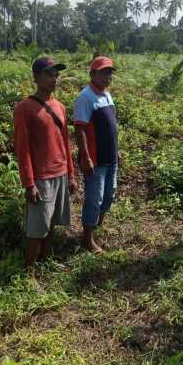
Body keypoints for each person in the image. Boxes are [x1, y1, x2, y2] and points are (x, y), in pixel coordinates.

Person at [13, 57, 77, 276]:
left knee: (51, 223)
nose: (54, 79)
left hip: (60, 172)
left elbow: (66, 142)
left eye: (56, 74)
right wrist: (29, 183)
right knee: (37, 228)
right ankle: (29, 272)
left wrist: (71, 174)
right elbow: (23, 149)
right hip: (41, 177)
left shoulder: (59, 106)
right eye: (49, 74)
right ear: (36, 78)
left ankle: (46, 260)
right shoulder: (25, 108)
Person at [73, 56, 119, 254]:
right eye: (103, 72)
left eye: (109, 72)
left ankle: (97, 226)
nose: (107, 76)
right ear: (92, 74)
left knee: (110, 193)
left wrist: (117, 151)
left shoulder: (106, 95)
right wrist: (86, 156)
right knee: (94, 198)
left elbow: (111, 126)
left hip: (110, 156)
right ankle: (87, 238)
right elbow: (80, 129)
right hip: (95, 158)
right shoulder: (85, 97)